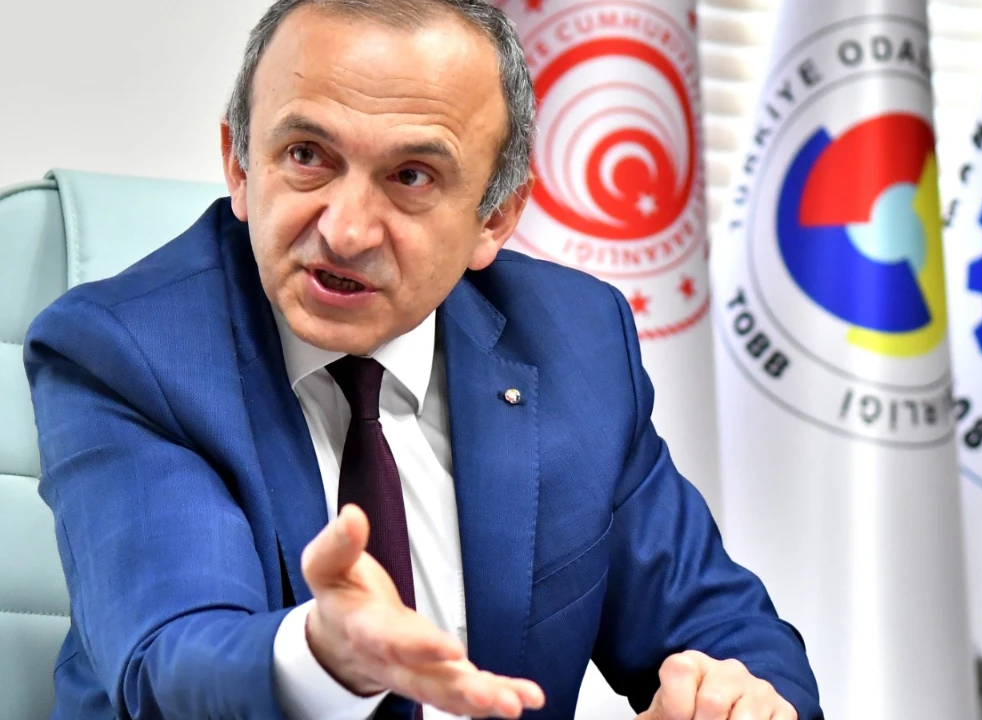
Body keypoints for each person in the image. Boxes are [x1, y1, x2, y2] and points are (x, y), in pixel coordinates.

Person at [23, 0, 822, 718]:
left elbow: (730, 633)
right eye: (306, 155)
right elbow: (171, 666)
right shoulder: (128, 352)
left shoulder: (573, 340)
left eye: (411, 176)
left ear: (495, 217)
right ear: (239, 165)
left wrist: (734, 699)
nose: (345, 231)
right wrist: (323, 657)